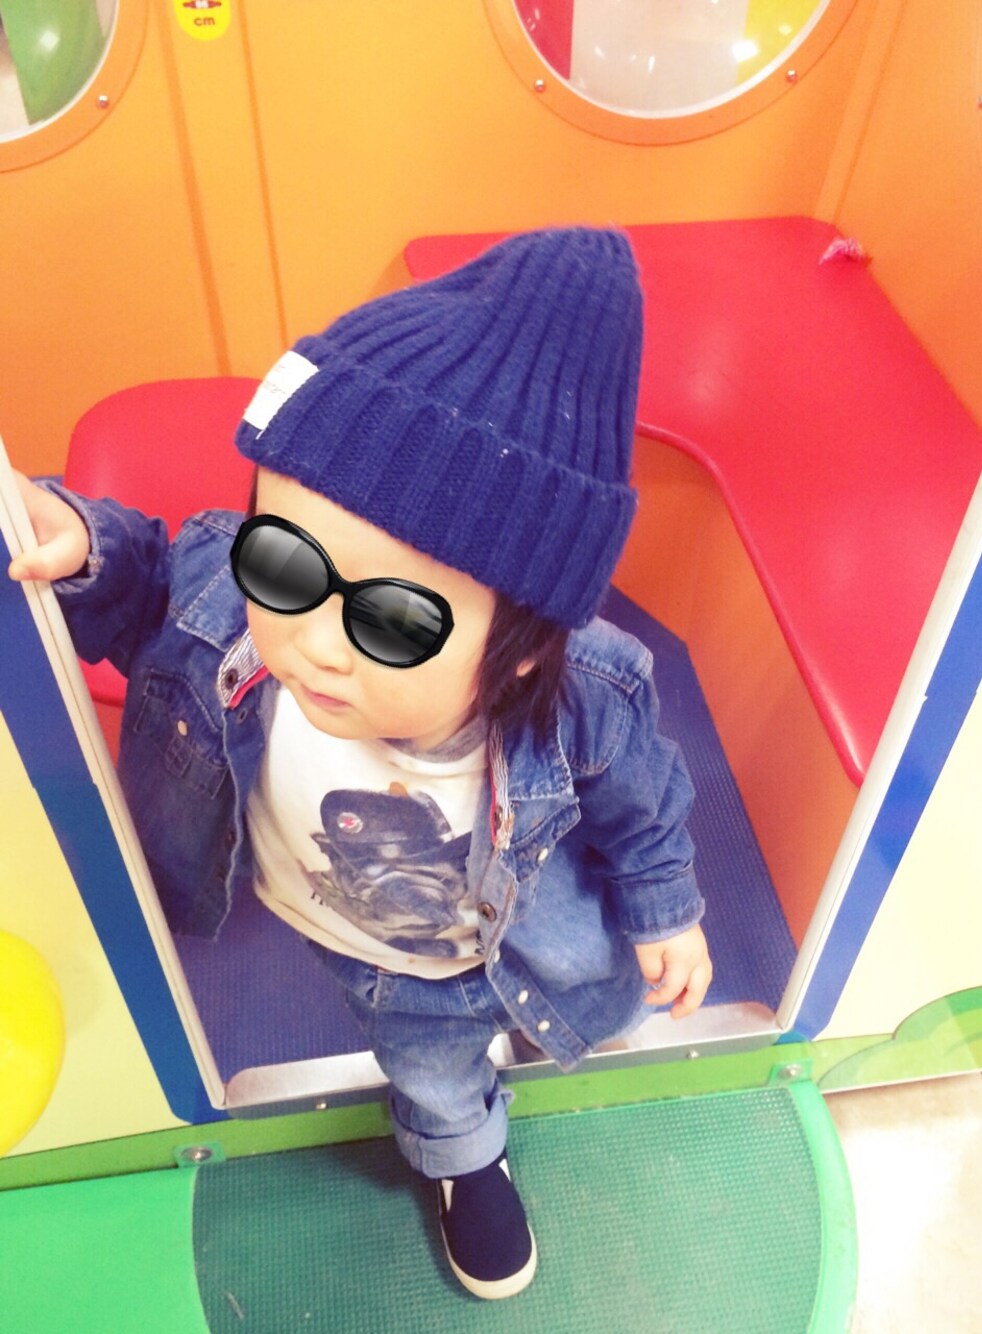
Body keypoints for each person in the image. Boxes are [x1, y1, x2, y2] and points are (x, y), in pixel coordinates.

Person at [8, 228, 712, 1300]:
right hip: (375, 954)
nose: (316, 643)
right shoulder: (231, 613)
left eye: (392, 618)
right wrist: (82, 541)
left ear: (524, 643)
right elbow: (149, 580)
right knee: (428, 1066)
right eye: (283, 561)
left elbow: (642, 804)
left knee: (541, 1018)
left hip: (497, 937)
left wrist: (666, 909)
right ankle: (461, 1151)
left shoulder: (586, 695)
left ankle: (497, 1082)